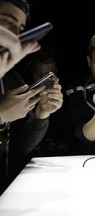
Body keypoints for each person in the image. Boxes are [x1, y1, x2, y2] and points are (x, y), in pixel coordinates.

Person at [0, 0, 63, 195]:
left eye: (20, 28)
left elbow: (19, 147)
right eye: (8, 22)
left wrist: (42, 113)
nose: (16, 36)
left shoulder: (13, 79)